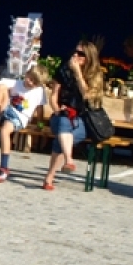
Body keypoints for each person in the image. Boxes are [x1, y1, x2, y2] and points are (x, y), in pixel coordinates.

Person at [42, 40, 104, 191]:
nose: (75, 56)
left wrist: (78, 73)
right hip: (61, 116)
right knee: (63, 120)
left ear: (89, 57)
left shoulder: (95, 75)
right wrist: (57, 109)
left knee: (60, 140)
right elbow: (54, 95)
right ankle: (68, 160)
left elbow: (87, 96)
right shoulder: (64, 70)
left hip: (83, 119)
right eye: (74, 52)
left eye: (80, 54)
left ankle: (50, 177)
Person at [0, 65, 48, 183]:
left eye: (34, 82)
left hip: (19, 117)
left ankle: (4, 167)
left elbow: (39, 109)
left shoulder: (39, 91)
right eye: (29, 78)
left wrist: (40, 124)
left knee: (4, 131)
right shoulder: (17, 83)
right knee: (1, 87)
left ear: (38, 84)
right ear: (26, 74)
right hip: (6, 109)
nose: (30, 82)